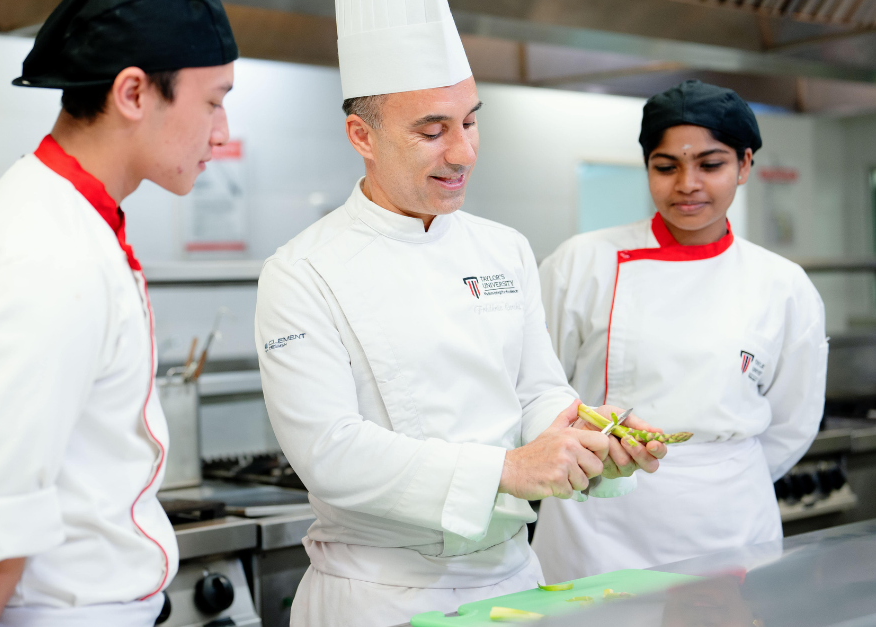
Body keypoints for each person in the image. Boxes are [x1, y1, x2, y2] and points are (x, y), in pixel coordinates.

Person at [253, 1, 667, 624]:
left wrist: (585, 435)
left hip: (514, 580)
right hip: (379, 594)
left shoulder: (504, 248)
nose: (465, 152)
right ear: (362, 136)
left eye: (471, 122)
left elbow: (535, 389)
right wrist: (507, 470)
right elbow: (330, 452)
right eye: (433, 131)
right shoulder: (302, 271)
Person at [0, 1, 237, 625]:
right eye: (213, 102)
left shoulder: (71, 221)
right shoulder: (44, 249)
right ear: (134, 93)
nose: (222, 133)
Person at [532, 80, 828, 583]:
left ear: (745, 165)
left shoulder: (782, 284)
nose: (687, 184)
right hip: (599, 515)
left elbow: (793, 421)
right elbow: (538, 389)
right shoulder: (581, 262)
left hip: (729, 517)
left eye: (710, 165)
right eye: (666, 167)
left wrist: (716, 469)